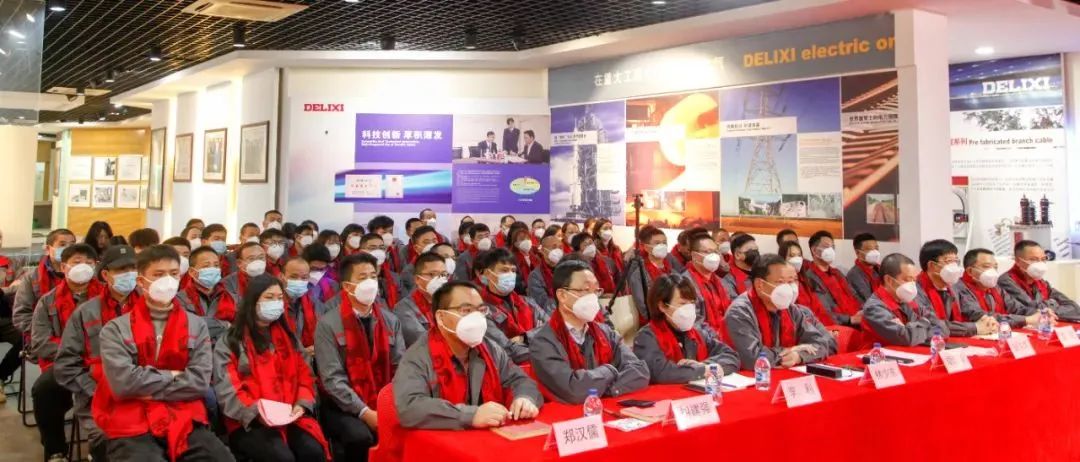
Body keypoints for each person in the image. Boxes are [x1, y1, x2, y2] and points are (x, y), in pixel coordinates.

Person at [93, 245, 231, 461]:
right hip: (131, 415)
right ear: (141, 281)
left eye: (173, 274)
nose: (167, 281)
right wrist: (173, 375)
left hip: (183, 412)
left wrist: (146, 387)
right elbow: (123, 384)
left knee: (220, 457)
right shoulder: (116, 329)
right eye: (158, 275)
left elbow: (199, 383)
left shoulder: (196, 325)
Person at [394, 281, 541, 430]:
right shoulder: (418, 356)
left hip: (486, 436)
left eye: (481, 310)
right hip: (441, 440)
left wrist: (524, 398)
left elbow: (519, 380)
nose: (476, 318)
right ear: (441, 317)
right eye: (466, 310)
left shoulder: (490, 348)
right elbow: (410, 407)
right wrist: (470, 415)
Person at [214, 275, 330, 462]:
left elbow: (306, 376)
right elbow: (228, 390)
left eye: (279, 298)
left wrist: (302, 404)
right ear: (253, 301)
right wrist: (259, 413)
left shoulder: (289, 338)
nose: (276, 303)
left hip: (291, 414)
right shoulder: (230, 342)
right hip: (249, 420)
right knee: (282, 458)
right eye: (269, 297)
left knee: (313, 451)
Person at [315, 253, 405, 461]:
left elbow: (401, 367)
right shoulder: (328, 324)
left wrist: (391, 404)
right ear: (347, 286)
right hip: (342, 404)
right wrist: (365, 412)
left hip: (384, 398)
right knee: (360, 437)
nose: (370, 282)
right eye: (363, 278)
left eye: (373, 276)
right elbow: (332, 379)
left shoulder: (390, 320)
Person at [55, 245, 138, 462]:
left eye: (133, 268)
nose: (129, 274)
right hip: (97, 395)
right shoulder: (86, 312)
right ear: (105, 275)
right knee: (107, 437)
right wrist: (95, 390)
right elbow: (66, 365)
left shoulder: (151, 307)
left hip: (145, 392)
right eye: (121, 270)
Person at [530, 261, 648, 403]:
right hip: (571, 415)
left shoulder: (605, 332)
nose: (593, 298)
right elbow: (574, 389)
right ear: (562, 295)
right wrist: (609, 370)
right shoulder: (543, 341)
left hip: (603, 408)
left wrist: (609, 389)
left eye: (596, 291)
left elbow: (640, 370)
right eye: (586, 290)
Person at [31, 243, 102, 461]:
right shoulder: (47, 301)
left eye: (89, 263)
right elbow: (41, 342)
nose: (83, 267)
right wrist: (75, 352)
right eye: (77, 262)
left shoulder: (106, 296)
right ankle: (56, 451)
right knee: (44, 389)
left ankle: (103, 447)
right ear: (63, 267)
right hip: (63, 363)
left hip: (101, 361)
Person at [724, 254, 835, 370]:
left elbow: (822, 345)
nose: (788, 288)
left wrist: (798, 356)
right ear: (760, 285)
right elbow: (752, 358)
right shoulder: (740, 312)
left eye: (791, 281)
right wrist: (790, 350)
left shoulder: (792, 309)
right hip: (752, 377)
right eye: (781, 282)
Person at [633, 274, 740, 384]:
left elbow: (732, 357)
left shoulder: (698, 331)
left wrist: (705, 366)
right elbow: (659, 373)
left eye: (692, 303)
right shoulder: (646, 337)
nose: (689, 309)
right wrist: (701, 370)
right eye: (683, 303)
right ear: (662, 306)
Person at [860, 253, 949, 347]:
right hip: (879, 354)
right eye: (908, 280)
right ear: (889, 280)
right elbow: (906, 337)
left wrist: (916, 330)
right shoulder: (874, 307)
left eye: (914, 280)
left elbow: (943, 329)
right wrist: (926, 323)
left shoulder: (908, 299)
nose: (913, 285)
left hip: (912, 352)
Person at [916, 239, 998, 337]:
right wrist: (975, 327)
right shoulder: (917, 290)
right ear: (932, 265)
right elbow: (934, 324)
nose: (954, 266)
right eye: (949, 261)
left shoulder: (954, 285)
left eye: (956, 261)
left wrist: (985, 319)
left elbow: (969, 306)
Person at [475, 248, 544, 364]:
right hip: (513, 369)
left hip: (541, 362)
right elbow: (507, 350)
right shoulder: (482, 310)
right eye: (504, 270)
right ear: (487, 274)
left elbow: (551, 328)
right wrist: (546, 349)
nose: (510, 275)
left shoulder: (527, 301)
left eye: (513, 270)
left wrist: (524, 337)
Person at [957, 248, 1042, 330]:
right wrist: (1026, 320)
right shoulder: (960, 288)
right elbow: (984, 317)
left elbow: (1016, 308)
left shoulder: (995, 288)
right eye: (986, 266)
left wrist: (1039, 313)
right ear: (970, 271)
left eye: (995, 267)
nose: (992, 271)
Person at [14, 228, 76, 333]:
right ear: (48, 249)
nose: (68, 249)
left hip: (77, 336)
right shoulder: (31, 278)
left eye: (72, 245)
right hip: (42, 337)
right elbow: (21, 316)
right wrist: (44, 334)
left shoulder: (81, 276)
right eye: (62, 245)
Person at [998, 240, 1080, 317]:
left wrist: (1049, 311)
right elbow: (1032, 308)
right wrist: (1053, 303)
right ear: (1018, 261)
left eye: (1043, 259)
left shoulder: (1041, 282)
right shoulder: (1006, 281)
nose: (1040, 264)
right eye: (1033, 259)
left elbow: (1074, 307)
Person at [803, 231, 863, 328]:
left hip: (857, 320)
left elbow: (854, 295)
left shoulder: (837, 273)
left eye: (832, 247)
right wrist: (850, 319)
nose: (831, 250)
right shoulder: (810, 278)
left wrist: (863, 311)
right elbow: (822, 311)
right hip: (838, 327)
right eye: (826, 246)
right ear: (814, 250)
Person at [681, 233, 732, 340]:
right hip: (705, 339)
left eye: (715, 252)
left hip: (727, 334)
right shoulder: (685, 283)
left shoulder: (721, 282)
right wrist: (717, 339)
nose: (714, 256)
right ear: (694, 255)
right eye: (708, 252)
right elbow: (694, 320)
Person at [179, 245, 234, 342]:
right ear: (192, 272)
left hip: (225, 347)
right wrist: (225, 325)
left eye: (216, 265)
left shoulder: (231, 297)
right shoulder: (180, 299)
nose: (213, 269)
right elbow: (189, 326)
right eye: (206, 266)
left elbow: (239, 327)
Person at [395, 252, 449, 347]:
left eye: (443, 275)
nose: (439, 279)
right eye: (432, 274)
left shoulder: (451, 301)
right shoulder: (403, 308)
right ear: (417, 279)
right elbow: (422, 342)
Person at [777, 241, 835, 327]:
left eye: (799, 255)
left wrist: (826, 329)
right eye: (792, 256)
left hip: (819, 326)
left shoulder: (806, 281)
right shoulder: (779, 285)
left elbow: (819, 309)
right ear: (782, 259)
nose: (797, 259)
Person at [279, 257, 326, 355]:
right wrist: (302, 352)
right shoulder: (274, 305)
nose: (299, 281)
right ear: (281, 277)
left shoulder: (315, 304)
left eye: (304, 278)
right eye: (293, 277)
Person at [628, 226, 675, 323]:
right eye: (657, 243)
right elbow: (643, 307)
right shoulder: (639, 274)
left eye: (664, 243)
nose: (662, 246)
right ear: (646, 247)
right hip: (653, 322)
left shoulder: (672, 271)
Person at [356, 233, 403, 308]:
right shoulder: (356, 278)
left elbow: (402, 304)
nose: (378, 251)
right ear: (362, 252)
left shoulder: (394, 278)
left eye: (381, 248)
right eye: (372, 248)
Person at [223, 242, 269, 313]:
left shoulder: (272, 281)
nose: (257, 262)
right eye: (251, 259)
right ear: (239, 263)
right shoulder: (227, 283)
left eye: (261, 258)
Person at [527, 233, 563, 313]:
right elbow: (542, 304)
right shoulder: (535, 276)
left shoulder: (567, 269)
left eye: (560, 247)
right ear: (543, 250)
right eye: (554, 247)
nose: (558, 250)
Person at [846, 233, 882, 303]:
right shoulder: (854, 275)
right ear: (857, 253)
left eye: (876, 248)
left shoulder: (881, 270)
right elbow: (868, 300)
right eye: (869, 249)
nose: (875, 252)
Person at [509, 225, 536, 290]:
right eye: (522, 239)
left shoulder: (535, 256)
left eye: (528, 238)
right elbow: (515, 280)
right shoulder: (512, 259)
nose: (526, 241)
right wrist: (525, 287)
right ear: (515, 244)